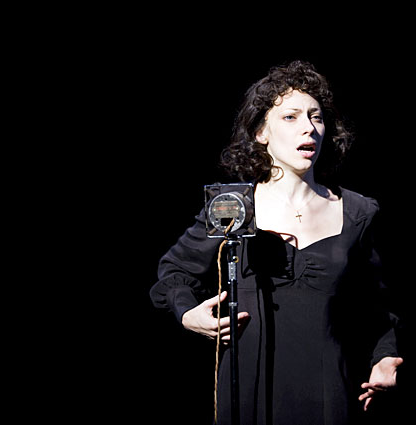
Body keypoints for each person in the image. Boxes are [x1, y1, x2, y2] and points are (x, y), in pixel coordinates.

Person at [149, 60, 403, 425]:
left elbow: (375, 307)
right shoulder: (233, 207)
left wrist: (384, 358)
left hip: (329, 391)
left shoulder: (357, 213)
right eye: (290, 117)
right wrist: (188, 314)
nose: (309, 128)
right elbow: (174, 273)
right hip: (250, 391)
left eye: (316, 117)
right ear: (260, 132)